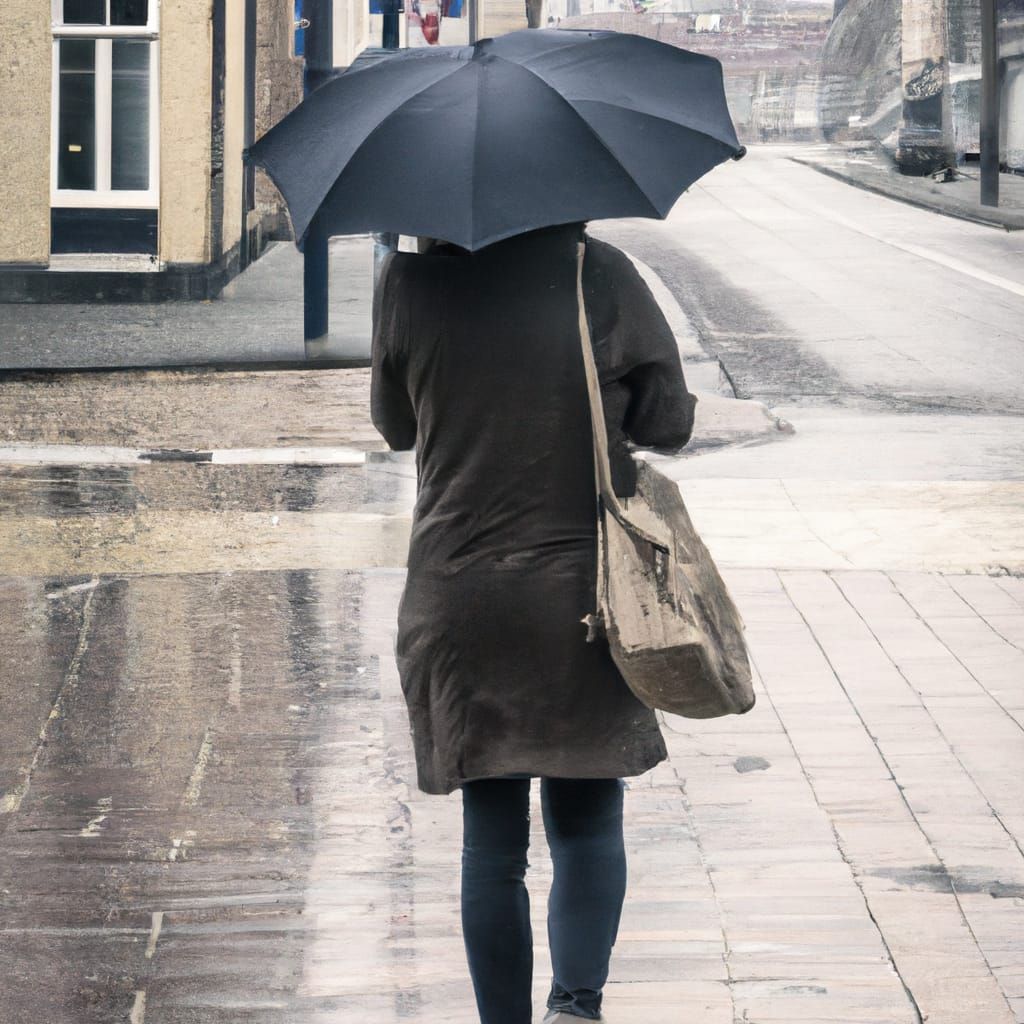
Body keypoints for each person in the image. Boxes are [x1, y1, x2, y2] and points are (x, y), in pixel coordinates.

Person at [370, 221, 696, 1024]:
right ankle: (574, 1010)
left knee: (491, 841)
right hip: (579, 597)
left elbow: (396, 427)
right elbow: (670, 424)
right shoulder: (600, 275)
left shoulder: (408, 287)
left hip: (457, 594)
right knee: (586, 815)